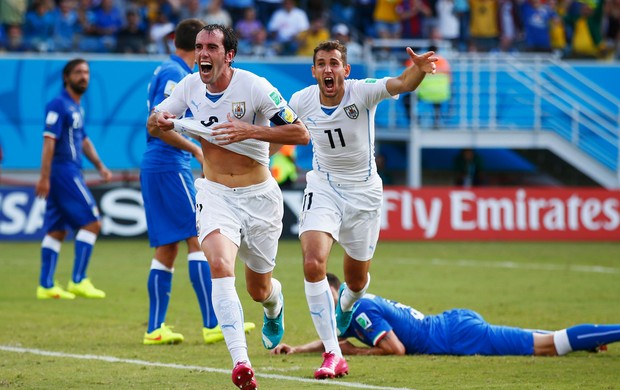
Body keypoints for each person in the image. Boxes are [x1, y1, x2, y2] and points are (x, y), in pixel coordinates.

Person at [147, 24, 309, 390]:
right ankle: (241, 363)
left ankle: (274, 305)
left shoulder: (255, 87)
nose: (203, 53)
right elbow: (154, 124)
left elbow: (301, 133)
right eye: (200, 47)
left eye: (212, 47)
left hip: (260, 199)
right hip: (215, 194)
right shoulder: (189, 86)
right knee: (219, 265)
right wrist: (161, 122)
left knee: (258, 288)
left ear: (229, 54)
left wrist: (250, 131)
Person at [288, 40, 437, 380]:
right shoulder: (300, 101)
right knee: (313, 263)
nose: (328, 69)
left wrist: (418, 70)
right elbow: (282, 129)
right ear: (314, 72)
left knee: (355, 282)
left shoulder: (363, 92)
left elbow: (401, 83)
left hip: (364, 196)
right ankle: (333, 353)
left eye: (334, 63)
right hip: (323, 187)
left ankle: (344, 306)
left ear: (346, 70)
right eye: (322, 63)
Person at [141, 18, 255, 347]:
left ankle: (154, 328)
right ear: (196, 49)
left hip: (157, 164)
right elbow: (162, 124)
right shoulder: (180, 75)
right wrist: (197, 150)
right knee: (198, 236)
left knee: (167, 247)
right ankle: (213, 323)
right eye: (203, 47)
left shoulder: (166, 69)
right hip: (169, 163)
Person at [273, 273, 620, 357]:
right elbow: (333, 336)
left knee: (549, 346)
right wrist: (299, 350)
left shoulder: (360, 310)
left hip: (455, 336)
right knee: (537, 337)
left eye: (324, 295)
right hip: (452, 323)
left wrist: (357, 352)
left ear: (335, 290)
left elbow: (396, 349)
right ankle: (592, 341)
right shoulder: (353, 309)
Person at [35, 58, 112, 300]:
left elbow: (84, 139)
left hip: (67, 171)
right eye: (78, 72)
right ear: (66, 77)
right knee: (92, 223)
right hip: (64, 171)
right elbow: (49, 142)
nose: (84, 76)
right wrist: (44, 177)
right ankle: (78, 279)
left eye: (87, 72)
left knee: (56, 230)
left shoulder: (76, 106)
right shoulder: (58, 104)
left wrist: (100, 165)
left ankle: (45, 286)